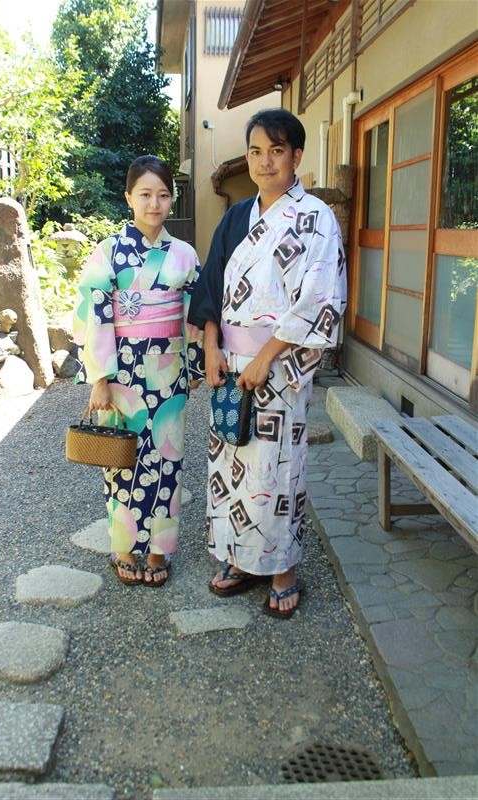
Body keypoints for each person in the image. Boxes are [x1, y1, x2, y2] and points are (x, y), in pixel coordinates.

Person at [188, 109, 347, 618]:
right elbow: (211, 285)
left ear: (296, 156)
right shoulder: (237, 217)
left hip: (279, 366)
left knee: (277, 472)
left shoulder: (316, 219)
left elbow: (321, 297)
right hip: (231, 362)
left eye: (276, 151)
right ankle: (238, 557)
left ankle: (281, 568)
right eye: (255, 152)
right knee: (230, 462)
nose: (264, 162)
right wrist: (210, 347)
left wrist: (266, 357)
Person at [73, 155, 203, 587]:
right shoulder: (108, 251)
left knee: (167, 458)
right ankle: (124, 547)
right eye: (145, 194)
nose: (154, 204)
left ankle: (160, 550)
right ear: (128, 197)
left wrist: (197, 363)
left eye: (163, 195)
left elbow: (194, 312)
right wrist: (99, 378)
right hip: (123, 371)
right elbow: (94, 311)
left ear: (172, 199)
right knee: (122, 460)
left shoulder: (183, 254)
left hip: (169, 370)